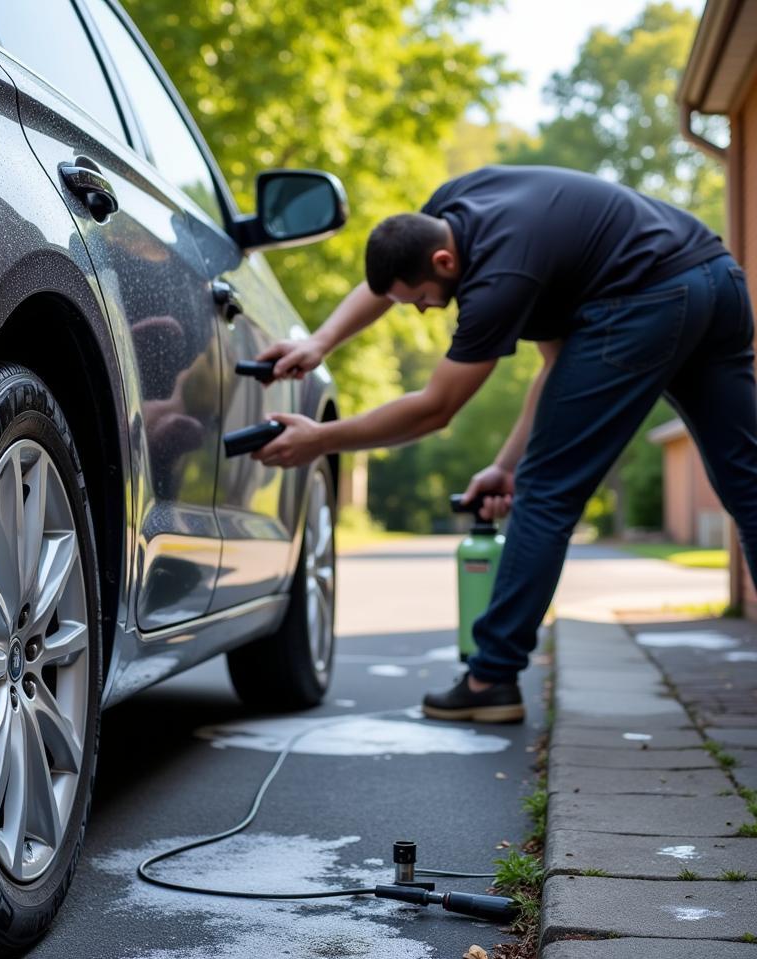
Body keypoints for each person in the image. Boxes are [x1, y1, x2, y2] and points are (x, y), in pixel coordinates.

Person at [253, 164, 757, 724]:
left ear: (444, 265)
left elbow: (435, 408)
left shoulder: (497, 279)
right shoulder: (447, 210)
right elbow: (557, 365)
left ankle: (490, 678)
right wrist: (320, 342)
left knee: (547, 495)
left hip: (650, 299)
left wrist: (321, 439)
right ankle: (493, 672)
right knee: (749, 483)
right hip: (717, 277)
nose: (419, 310)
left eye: (420, 299)